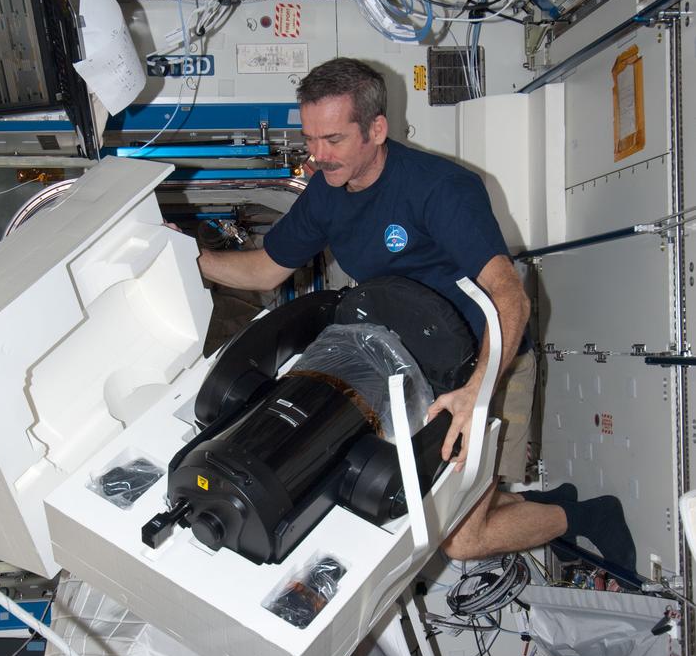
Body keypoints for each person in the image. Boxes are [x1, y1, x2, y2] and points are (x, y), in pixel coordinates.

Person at [197, 58, 636, 569]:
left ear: (376, 129)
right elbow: (267, 269)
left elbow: (510, 296)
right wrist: (191, 262)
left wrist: (478, 392)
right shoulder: (326, 193)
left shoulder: (439, 189)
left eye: (333, 140)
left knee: (461, 540)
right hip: (409, 369)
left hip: (489, 362)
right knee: (441, 505)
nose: (317, 155)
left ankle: (586, 517)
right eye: (310, 138)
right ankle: (541, 505)